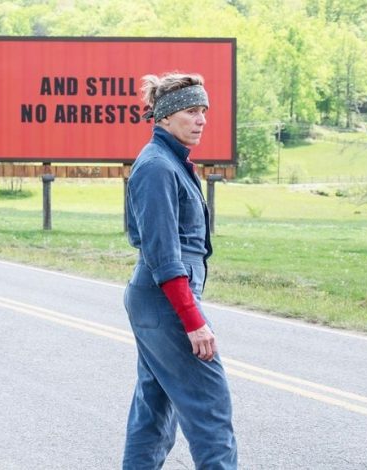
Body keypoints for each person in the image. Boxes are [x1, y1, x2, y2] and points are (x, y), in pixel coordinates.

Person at [122, 72, 238, 469]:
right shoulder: (156, 168)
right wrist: (193, 320)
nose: (201, 119)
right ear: (166, 117)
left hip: (159, 300)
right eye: (192, 110)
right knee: (210, 408)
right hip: (165, 300)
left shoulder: (170, 162)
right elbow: (164, 256)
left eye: (204, 110)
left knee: (154, 408)